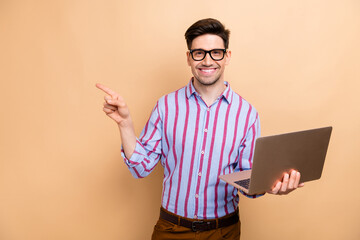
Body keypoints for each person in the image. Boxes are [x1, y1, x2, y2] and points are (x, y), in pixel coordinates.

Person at [96, 18, 304, 240]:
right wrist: (125, 124)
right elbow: (141, 168)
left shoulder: (247, 114)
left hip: (223, 231)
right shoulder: (166, 106)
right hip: (171, 230)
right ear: (189, 58)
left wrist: (270, 185)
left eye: (216, 52)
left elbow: (248, 179)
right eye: (199, 53)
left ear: (227, 57)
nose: (207, 61)